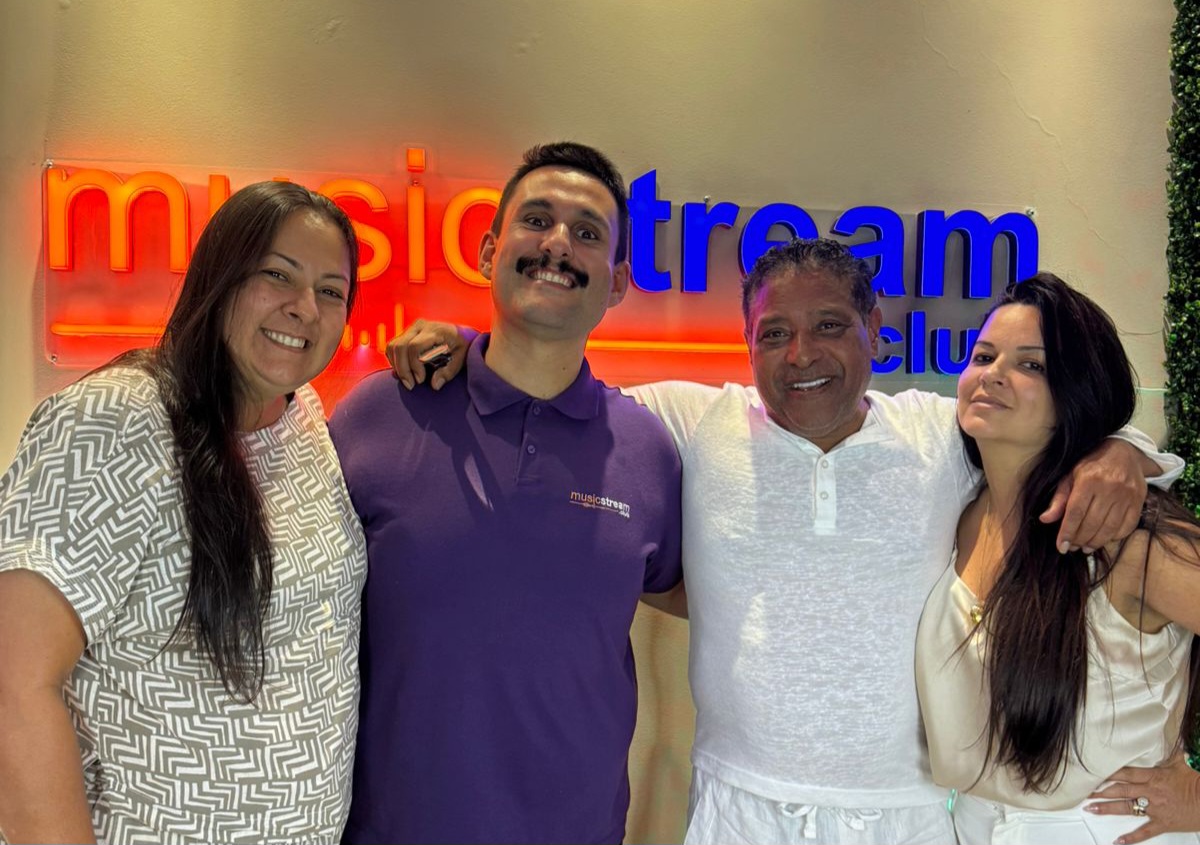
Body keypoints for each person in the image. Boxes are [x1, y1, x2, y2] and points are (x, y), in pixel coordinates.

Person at [389, 236, 1180, 843]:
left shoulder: (943, 434)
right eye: (773, 333)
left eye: (829, 325)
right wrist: (471, 345)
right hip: (739, 808)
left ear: (874, 329)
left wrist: (1122, 451)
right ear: (746, 342)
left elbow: (1054, 422)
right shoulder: (695, 423)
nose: (801, 355)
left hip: (904, 814)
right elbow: (555, 393)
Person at [330, 142, 683, 844]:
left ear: (617, 282)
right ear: (490, 250)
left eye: (587, 232)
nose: (558, 244)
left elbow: (696, 590)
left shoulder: (647, 450)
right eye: (537, 220)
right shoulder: (380, 412)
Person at [0, 181, 367, 845]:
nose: (304, 307)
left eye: (331, 290)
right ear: (219, 278)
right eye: (276, 274)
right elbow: (14, 682)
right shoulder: (113, 421)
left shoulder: (305, 419)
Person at [915, 273, 1200, 845]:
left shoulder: (1128, 537)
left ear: (1079, 394)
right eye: (984, 356)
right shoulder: (960, 511)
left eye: (1032, 365)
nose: (993, 374)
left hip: (1109, 830)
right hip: (971, 826)